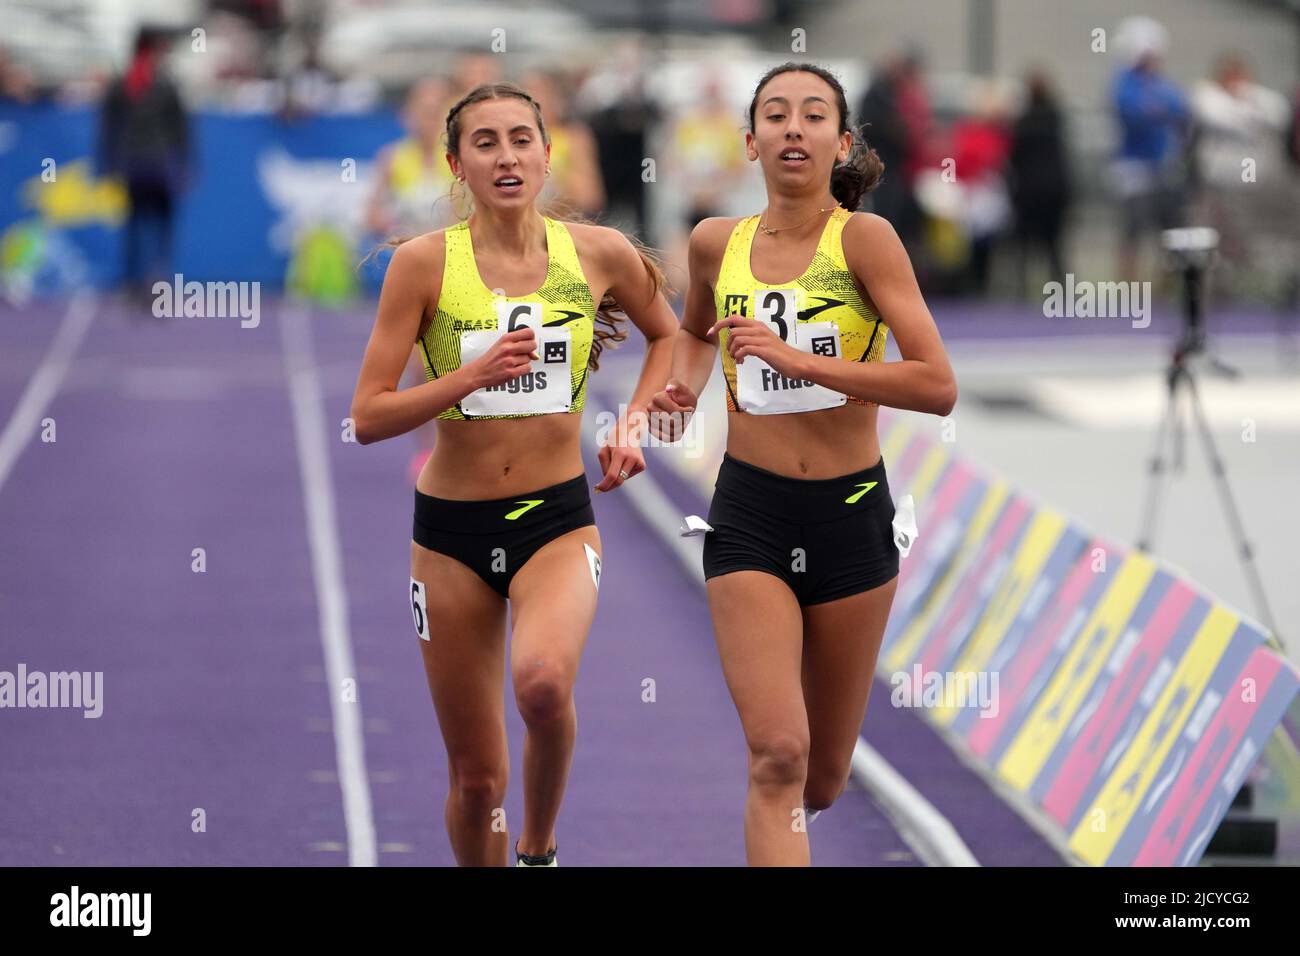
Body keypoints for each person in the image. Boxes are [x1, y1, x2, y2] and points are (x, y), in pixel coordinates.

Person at [350, 82, 678, 867]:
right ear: (456, 162)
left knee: (540, 684)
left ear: (547, 151)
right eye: (486, 142)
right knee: (476, 781)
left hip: (555, 521)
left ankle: (539, 848)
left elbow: (668, 336)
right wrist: (469, 377)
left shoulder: (597, 254)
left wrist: (635, 422)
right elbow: (367, 417)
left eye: (520, 139)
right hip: (451, 535)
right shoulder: (423, 266)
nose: (506, 156)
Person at [649, 62, 956, 866]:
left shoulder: (867, 240)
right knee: (777, 756)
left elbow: (937, 385)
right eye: (776, 116)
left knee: (820, 779)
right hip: (751, 512)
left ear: (841, 141)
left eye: (813, 115)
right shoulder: (717, 241)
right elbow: (691, 334)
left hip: (852, 516)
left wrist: (804, 363)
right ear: (749, 143)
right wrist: (681, 390)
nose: (794, 128)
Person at [96, 27, 191, 303]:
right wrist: (184, 165)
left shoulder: (122, 82)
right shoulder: (165, 82)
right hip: (159, 166)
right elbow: (181, 129)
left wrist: (107, 164)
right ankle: (155, 283)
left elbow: (108, 129)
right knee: (159, 225)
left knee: (136, 223)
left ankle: (135, 284)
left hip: (133, 165)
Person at [1008, 69, 1071, 297]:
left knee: (1025, 242)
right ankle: (1060, 287)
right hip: (1055, 188)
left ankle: (1022, 287)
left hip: (1030, 190)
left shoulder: (1023, 122)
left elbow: (1014, 156)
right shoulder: (1056, 117)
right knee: (1054, 243)